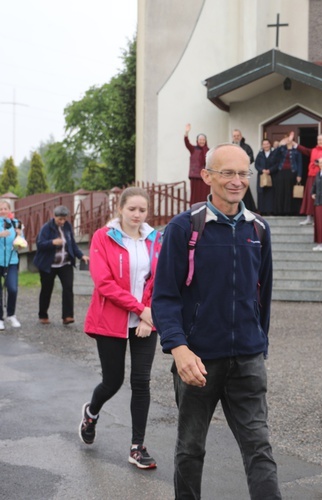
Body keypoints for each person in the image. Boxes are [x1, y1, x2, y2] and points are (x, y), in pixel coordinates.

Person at [152, 143, 280, 499]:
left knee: (259, 448)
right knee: (191, 449)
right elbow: (164, 297)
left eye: (243, 173)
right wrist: (178, 349)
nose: (237, 181)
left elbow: (263, 294)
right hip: (197, 361)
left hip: (248, 360)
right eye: (228, 173)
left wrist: (259, 343)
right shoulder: (184, 229)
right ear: (207, 176)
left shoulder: (259, 230)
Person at [78, 187, 162, 470]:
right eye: (132, 209)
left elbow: (157, 280)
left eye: (142, 210)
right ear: (120, 209)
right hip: (111, 321)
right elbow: (105, 283)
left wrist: (147, 318)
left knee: (142, 382)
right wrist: (140, 310)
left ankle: (137, 447)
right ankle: (91, 414)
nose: (137, 215)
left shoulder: (155, 239)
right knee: (113, 381)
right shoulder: (103, 237)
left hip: (145, 322)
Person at [33, 205, 90, 325]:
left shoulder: (67, 226)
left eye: (64, 219)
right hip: (49, 265)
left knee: (68, 288)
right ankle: (43, 315)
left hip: (65, 263)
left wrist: (81, 255)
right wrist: (52, 242)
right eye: (60, 219)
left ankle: (68, 316)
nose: (62, 221)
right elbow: (40, 244)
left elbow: (72, 244)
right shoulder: (46, 228)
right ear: (54, 217)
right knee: (46, 289)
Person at [295, 134, 322, 225]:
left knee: (319, 197)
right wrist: (294, 144)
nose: (321, 141)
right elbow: (305, 150)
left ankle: (318, 219)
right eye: (319, 140)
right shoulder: (314, 150)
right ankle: (308, 218)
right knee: (310, 197)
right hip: (311, 176)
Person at [0, 200, 23, 329]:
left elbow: (22, 243)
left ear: (9, 210)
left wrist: (19, 238)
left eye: (5, 208)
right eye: (0, 209)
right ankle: (0, 318)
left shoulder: (16, 223)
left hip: (11, 261)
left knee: (12, 289)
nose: (2, 211)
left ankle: (11, 314)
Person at [274, 132, 304, 216]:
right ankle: (281, 211)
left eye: (289, 139)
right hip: (281, 172)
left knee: (291, 192)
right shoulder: (281, 149)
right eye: (286, 139)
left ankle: (291, 211)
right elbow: (274, 156)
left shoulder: (297, 150)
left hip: (292, 173)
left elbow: (299, 163)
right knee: (281, 191)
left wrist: (299, 175)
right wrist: (280, 145)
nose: (288, 140)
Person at [232, 128, 258, 212]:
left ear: (241, 136)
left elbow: (251, 158)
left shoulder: (246, 147)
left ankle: (247, 209)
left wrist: (242, 161)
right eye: (234, 136)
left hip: (242, 173)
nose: (236, 137)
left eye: (238, 135)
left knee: (244, 189)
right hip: (232, 173)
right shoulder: (229, 147)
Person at [185, 123, 210, 205]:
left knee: (204, 196)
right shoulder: (193, 149)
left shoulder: (209, 151)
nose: (202, 141)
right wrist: (186, 132)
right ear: (197, 141)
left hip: (205, 177)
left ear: (205, 141)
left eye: (203, 140)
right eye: (200, 140)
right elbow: (187, 143)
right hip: (195, 176)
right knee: (195, 197)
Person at [255, 138, 278, 215]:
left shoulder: (274, 153)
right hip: (262, 177)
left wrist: (270, 170)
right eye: (264, 144)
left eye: (267, 144)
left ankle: (270, 211)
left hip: (271, 177)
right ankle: (262, 211)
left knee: (270, 194)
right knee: (262, 194)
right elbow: (256, 165)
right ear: (262, 145)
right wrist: (262, 170)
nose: (265, 145)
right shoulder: (260, 154)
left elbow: (277, 164)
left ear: (270, 144)